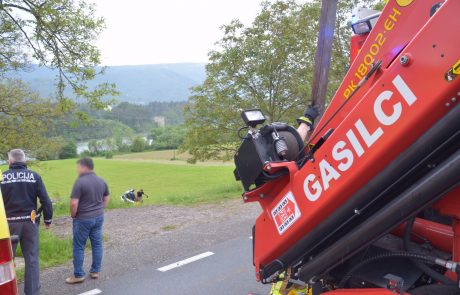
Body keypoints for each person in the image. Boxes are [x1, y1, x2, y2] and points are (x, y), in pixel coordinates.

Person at [1, 149, 53, 295]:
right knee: (31, 260)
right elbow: (46, 201)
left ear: (9, 161)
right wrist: (48, 219)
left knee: (4, 261)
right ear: (24, 161)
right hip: (30, 224)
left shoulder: (2, 177)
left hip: (7, 226)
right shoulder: (34, 176)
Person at [66, 157, 110, 284]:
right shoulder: (101, 180)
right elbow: (106, 197)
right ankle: (95, 271)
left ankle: (79, 275)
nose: (77, 169)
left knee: (79, 246)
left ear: (83, 167)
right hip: (98, 217)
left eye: (78, 166)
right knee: (97, 244)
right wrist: (101, 208)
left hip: (83, 218)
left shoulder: (80, 182)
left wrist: (73, 215)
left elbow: (74, 203)